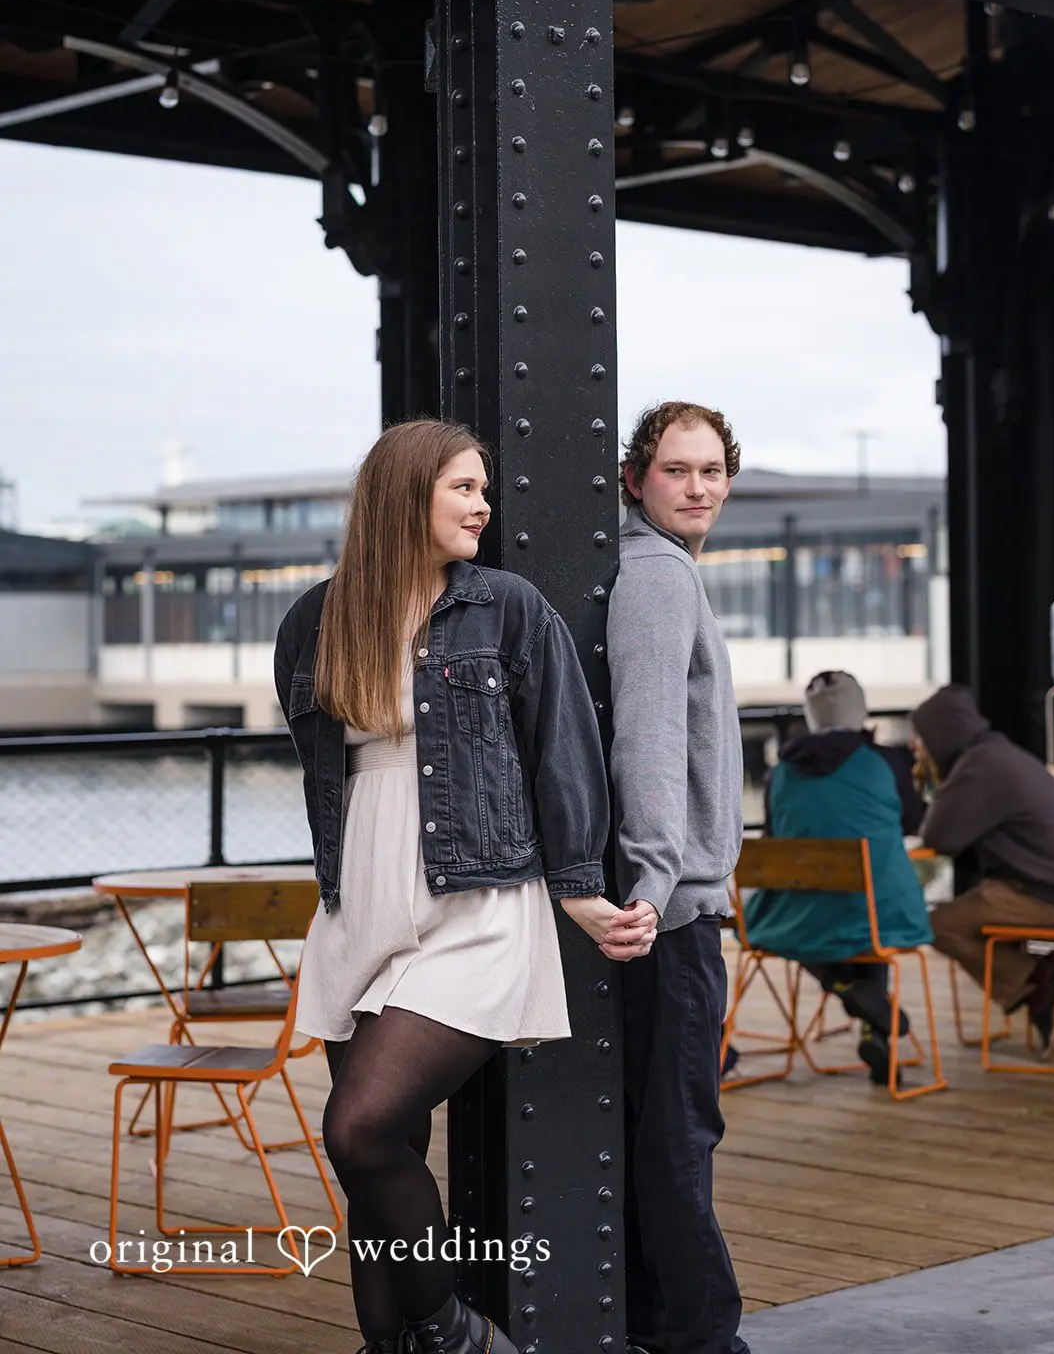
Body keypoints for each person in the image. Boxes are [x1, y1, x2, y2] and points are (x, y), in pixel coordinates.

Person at [274, 420, 656, 1354]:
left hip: (477, 896)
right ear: (405, 495)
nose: (483, 506)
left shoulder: (507, 608)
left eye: (483, 489)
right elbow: (328, 772)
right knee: (386, 1158)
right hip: (360, 900)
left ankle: (453, 1332)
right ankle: (393, 1345)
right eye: (463, 488)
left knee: (359, 1128)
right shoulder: (316, 620)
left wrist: (577, 889)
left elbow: (562, 753)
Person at [600, 400, 749, 1354]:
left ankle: (655, 1324)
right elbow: (647, 736)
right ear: (633, 480)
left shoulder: (659, 568)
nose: (697, 488)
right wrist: (656, 886)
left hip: (667, 905)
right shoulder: (658, 578)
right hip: (676, 915)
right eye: (675, 471)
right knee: (681, 1137)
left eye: (711, 471)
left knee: (660, 1133)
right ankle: (703, 1340)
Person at [743, 670, 932, 1085]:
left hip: (795, 916)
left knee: (799, 916)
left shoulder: (780, 772)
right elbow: (913, 821)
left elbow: (774, 838)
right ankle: (869, 1010)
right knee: (864, 908)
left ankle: (848, 989)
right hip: (879, 912)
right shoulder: (886, 762)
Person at [914, 683, 1054, 1052]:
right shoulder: (997, 754)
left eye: (920, 738)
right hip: (1047, 884)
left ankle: (1039, 982)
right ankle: (1039, 984)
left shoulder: (979, 767)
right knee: (970, 913)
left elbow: (938, 835)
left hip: (1047, 894)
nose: (915, 747)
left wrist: (930, 782)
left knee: (936, 926)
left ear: (942, 732)